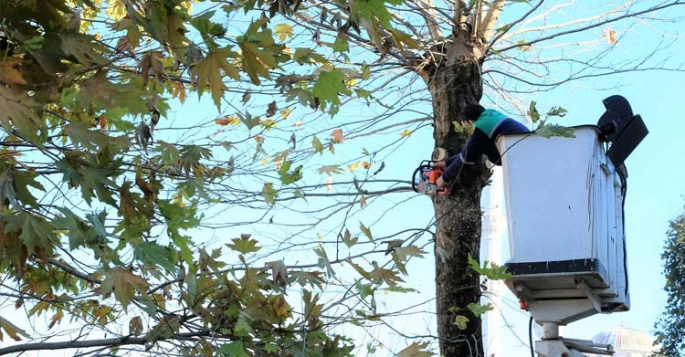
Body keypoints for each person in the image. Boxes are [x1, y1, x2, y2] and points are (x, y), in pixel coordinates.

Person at [435, 104, 530, 189]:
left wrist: (444, 178)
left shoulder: (482, 128)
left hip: (520, 155)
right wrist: (447, 163)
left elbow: (466, 157)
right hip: (527, 148)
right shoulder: (491, 116)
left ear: (471, 122)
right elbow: (471, 151)